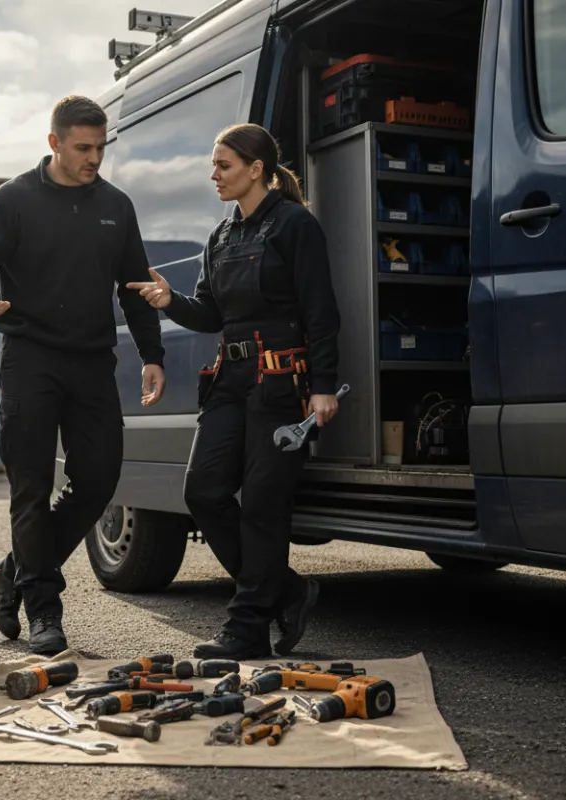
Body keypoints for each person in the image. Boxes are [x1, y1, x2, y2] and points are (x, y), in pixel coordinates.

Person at [0, 96, 167, 656]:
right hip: (30, 359)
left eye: (100, 147)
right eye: (83, 147)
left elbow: (135, 285)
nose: (94, 157)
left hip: (93, 362)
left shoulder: (116, 206)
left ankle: (12, 574)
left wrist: (152, 354)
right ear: (54, 143)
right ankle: (45, 610)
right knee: (30, 488)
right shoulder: (14, 198)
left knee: (98, 481)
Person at [126, 123, 341, 660]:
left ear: (257, 169)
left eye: (224, 165)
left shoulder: (295, 226)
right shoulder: (220, 237)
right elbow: (210, 315)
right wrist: (168, 300)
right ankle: (287, 591)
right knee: (203, 491)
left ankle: (247, 627)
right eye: (213, 164)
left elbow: (321, 311)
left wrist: (322, 388)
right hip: (229, 382)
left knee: (264, 507)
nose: (214, 175)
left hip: (280, 382)